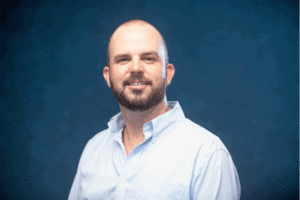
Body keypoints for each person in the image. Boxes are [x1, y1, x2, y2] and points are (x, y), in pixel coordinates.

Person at [68, 19, 241, 200]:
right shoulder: (94, 149)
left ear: (169, 73)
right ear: (108, 76)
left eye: (149, 59)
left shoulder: (207, 155)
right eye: (123, 59)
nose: (135, 68)